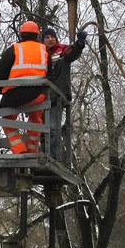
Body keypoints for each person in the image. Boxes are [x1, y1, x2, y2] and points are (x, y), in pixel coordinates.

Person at [0, 20, 48, 154]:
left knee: (7, 120)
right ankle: (32, 151)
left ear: (21, 34)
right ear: (37, 35)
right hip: (38, 95)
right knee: (36, 120)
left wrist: (1, 90)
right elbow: (51, 74)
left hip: (15, 95)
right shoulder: (44, 50)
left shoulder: (14, 49)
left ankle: (19, 149)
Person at [42, 25, 88, 160]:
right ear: (43, 40)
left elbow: (72, 53)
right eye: (47, 37)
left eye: (52, 37)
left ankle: (53, 157)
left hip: (57, 96)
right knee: (41, 130)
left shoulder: (62, 51)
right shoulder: (40, 54)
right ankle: (44, 154)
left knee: (53, 128)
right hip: (41, 97)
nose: (50, 39)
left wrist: (79, 44)